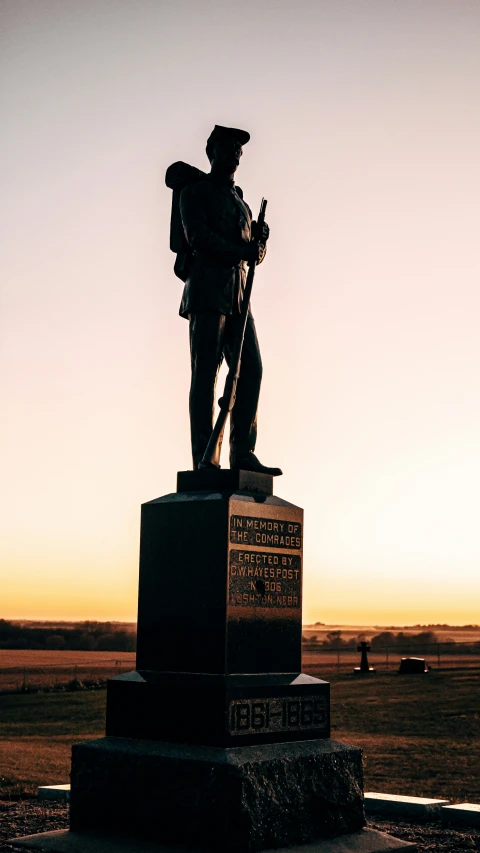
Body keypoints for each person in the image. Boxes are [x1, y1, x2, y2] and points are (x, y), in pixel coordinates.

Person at [178, 125, 282, 476]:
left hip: (238, 295)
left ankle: (242, 453)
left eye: (239, 149)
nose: (236, 153)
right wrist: (244, 249)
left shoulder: (241, 202)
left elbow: (253, 256)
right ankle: (202, 458)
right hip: (207, 290)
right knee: (205, 375)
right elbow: (199, 238)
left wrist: (259, 244)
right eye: (229, 147)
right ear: (212, 151)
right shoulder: (194, 192)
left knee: (252, 369)